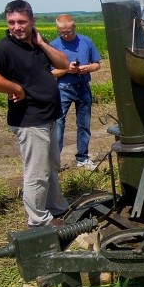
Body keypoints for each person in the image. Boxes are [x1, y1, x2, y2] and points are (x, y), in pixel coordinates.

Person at [0, 0, 70, 227]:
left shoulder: (37, 43)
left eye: (21, 22)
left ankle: (57, 207)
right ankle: (38, 220)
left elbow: (64, 64)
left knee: (51, 166)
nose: (16, 27)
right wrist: (15, 88)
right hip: (29, 120)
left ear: (32, 21)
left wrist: (41, 43)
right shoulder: (4, 48)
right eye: (11, 22)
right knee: (36, 172)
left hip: (49, 116)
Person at [50, 14, 102, 170]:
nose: (66, 35)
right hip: (63, 88)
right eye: (62, 33)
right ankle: (54, 162)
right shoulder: (53, 46)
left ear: (74, 27)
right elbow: (51, 73)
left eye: (69, 32)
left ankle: (83, 158)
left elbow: (97, 64)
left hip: (83, 87)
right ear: (57, 30)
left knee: (84, 124)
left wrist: (86, 68)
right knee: (58, 125)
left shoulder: (86, 41)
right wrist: (67, 69)